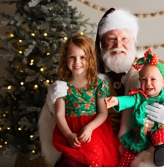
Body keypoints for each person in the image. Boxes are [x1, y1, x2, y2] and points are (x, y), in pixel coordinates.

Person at [40, 9, 164, 166]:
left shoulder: (147, 73)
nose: (118, 45)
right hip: (96, 142)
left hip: (139, 144)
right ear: (101, 44)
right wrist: (52, 104)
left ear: (133, 40)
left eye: (125, 39)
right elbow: (59, 115)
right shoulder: (88, 73)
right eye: (111, 39)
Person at [104, 50, 164, 167]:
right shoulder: (139, 96)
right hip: (139, 136)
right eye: (144, 80)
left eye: (153, 79)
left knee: (161, 134)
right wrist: (116, 100)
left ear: (163, 82)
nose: (148, 83)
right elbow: (128, 100)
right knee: (127, 154)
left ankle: (160, 151)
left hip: (156, 135)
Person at [51, 33, 121, 167]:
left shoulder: (98, 84)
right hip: (70, 130)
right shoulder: (62, 86)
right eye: (72, 57)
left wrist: (89, 128)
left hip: (93, 129)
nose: (77, 62)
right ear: (65, 58)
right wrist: (68, 134)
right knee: (69, 162)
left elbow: (103, 113)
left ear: (90, 59)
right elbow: (59, 114)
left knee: (94, 156)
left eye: (82, 57)